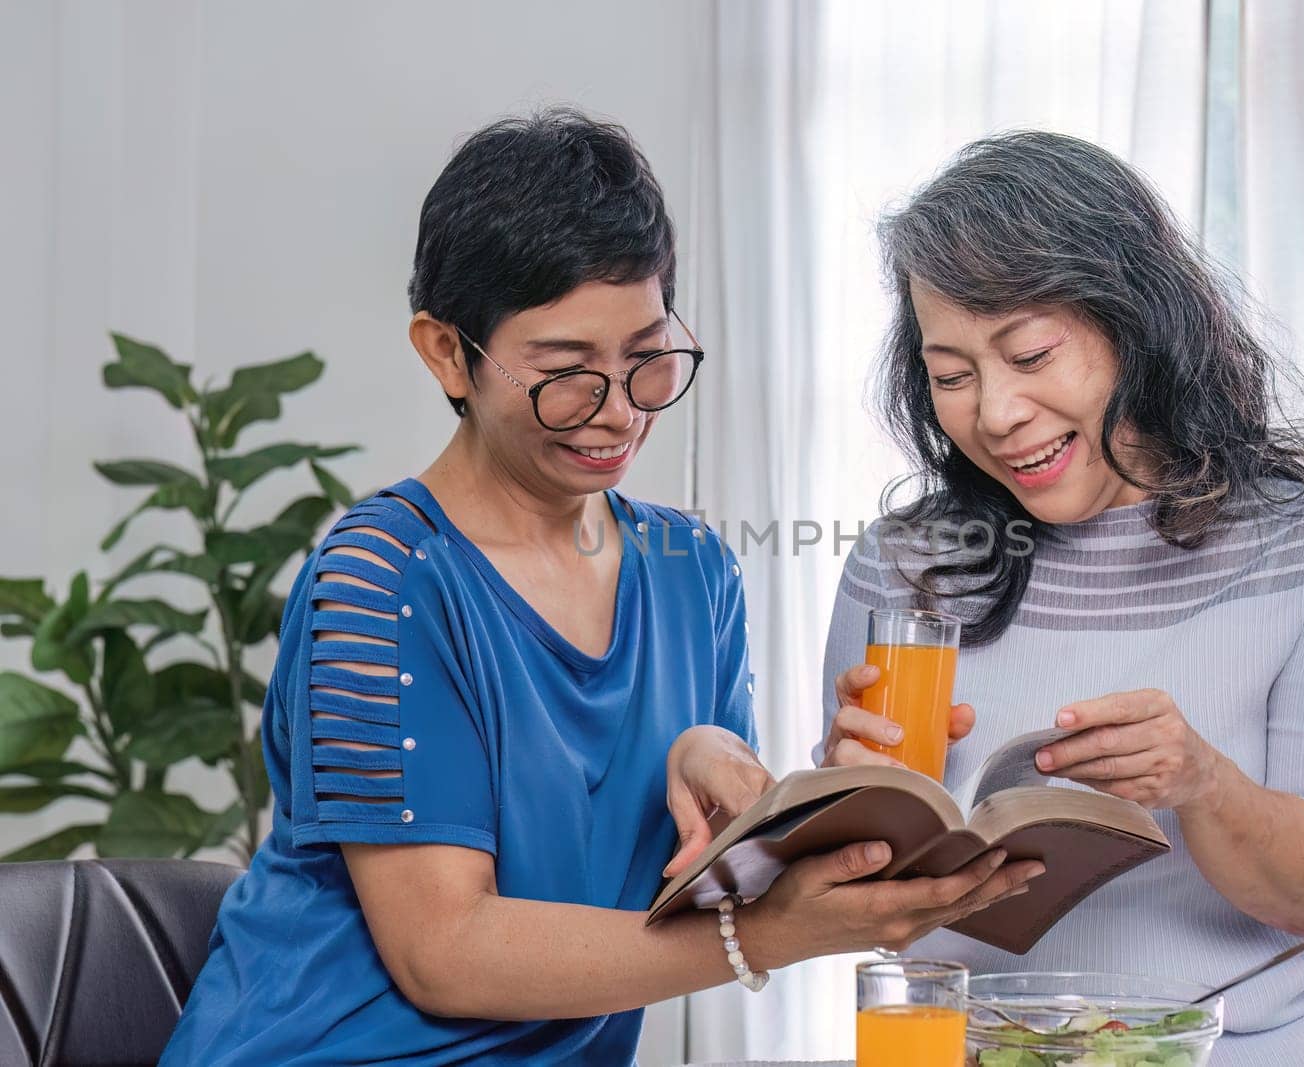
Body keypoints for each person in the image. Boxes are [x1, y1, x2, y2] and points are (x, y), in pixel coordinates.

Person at [162, 109, 1041, 1067]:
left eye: (648, 359)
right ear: (446, 351)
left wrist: (802, 797)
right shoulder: (383, 580)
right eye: (566, 374)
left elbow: (707, 878)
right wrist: (774, 936)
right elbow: (443, 954)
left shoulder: (692, 568)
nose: (619, 412)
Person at [819, 131, 1304, 1065]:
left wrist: (1201, 783)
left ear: (1132, 325)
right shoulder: (905, 565)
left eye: (1031, 354)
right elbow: (879, 927)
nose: (998, 414)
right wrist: (855, 807)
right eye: (952, 375)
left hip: (1238, 1049)